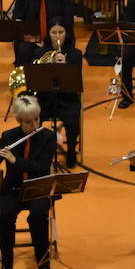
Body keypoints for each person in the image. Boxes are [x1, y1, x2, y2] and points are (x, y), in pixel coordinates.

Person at [0, 95, 57, 269]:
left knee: (37, 216)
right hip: (13, 188)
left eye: (37, 119)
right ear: (19, 121)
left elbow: (42, 168)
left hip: (38, 186)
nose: (35, 125)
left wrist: (16, 161)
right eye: (29, 122)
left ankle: (43, 266)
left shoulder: (48, 137)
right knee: (5, 217)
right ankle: (7, 265)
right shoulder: (8, 137)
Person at [32, 19, 83, 167]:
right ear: (48, 34)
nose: (57, 36)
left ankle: (71, 150)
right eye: (54, 32)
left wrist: (65, 66)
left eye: (61, 32)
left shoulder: (75, 54)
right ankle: (38, 151)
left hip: (67, 99)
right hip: (45, 98)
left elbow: (76, 82)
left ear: (67, 33)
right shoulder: (39, 53)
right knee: (33, 118)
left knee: (72, 122)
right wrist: (49, 66)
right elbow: (35, 80)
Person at [12, 0, 74, 65]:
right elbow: (17, 20)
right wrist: (33, 38)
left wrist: (54, 38)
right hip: (31, 37)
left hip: (56, 36)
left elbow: (68, 19)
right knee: (23, 49)